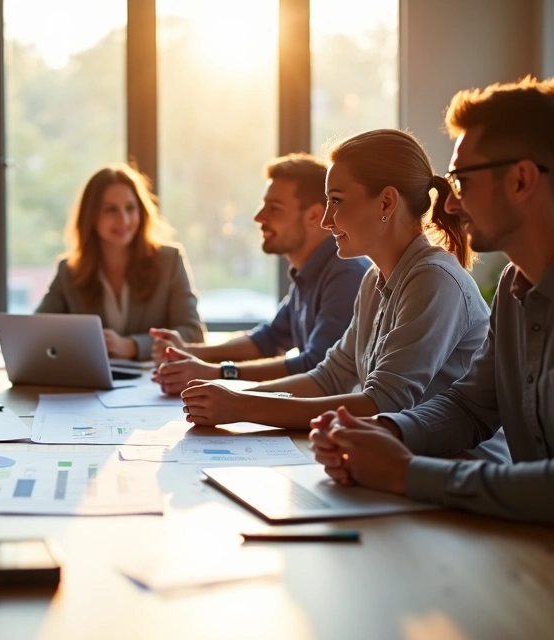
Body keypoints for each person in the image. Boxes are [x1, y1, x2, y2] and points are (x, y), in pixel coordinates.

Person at [309, 77, 554, 584]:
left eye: (462, 182)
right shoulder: (517, 288)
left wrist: (405, 471)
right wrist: (383, 433)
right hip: (551, 554)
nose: (449, 204)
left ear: (521, 181)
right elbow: (470, 406)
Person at [181, 130, 504, 464]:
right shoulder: (373, 281)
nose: (325, 220)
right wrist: (233, 396)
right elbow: (329, 377)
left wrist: (240, 406)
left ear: (386, 202)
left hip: (460, 474)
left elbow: (381, 404)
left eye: (336, 201)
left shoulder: (434, 279)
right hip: (402, 466)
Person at [152, 154, 369, 394]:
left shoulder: (346, 274)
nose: (258, 217)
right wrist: (189, 352)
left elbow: (316, 366)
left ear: (314, 216)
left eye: (274, 209)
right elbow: (269, 339)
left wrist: (218, 374)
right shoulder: (308, 272)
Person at [35, 163, 204, 361]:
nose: (123, 220)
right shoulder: (70, 270)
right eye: (110, 210)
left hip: (155, 383)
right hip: (90, 384)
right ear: (91, 216)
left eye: (130, 208)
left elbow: (193, 334)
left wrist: (134, 346)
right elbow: (37, 332)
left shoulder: (169, 261)